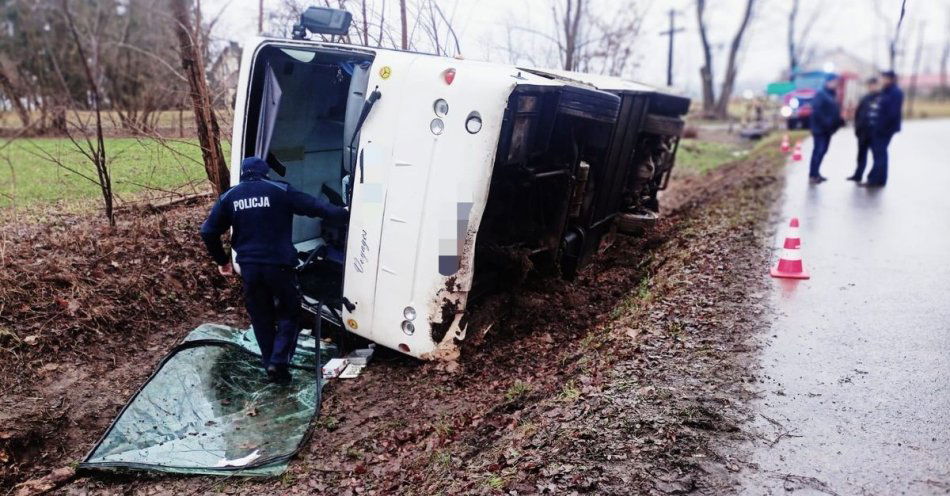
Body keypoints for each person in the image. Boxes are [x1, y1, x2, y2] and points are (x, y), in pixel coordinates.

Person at [201, 157, 347, 384]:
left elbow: (208, 232)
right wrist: (346, 213)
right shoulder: (279, 190)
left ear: (243, 173)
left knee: (261, 315)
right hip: (279, 266)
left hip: (249, 268)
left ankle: (271, 364)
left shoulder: (230, 196)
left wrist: (223, 261)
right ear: (265, 172)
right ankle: (279, 362)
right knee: (290, 312)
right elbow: (317, 207)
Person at [863, 70, 903, 187]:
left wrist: (881, 127)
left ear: (889, 79)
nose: (881, 80)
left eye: (883, 78)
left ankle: (874, 180)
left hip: (884, 129)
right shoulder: (887, 91)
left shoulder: (895, 92)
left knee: (879, 154)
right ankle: (880, 179)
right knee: (880, 154)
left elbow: (892, 113)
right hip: (882, 128)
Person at [807, 75, 845, 184]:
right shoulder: (821, 94)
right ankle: (813, 175)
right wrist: (826, 122)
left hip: (827, 130)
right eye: (834, 82)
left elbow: (834, 110)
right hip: (820, 129)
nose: (836, 84)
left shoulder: (831, 94)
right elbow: (817, 111)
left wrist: (838, 121)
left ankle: (816, 173)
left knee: (823, 151)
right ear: (828, 82)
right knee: (818, 151)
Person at [848, 78, 881, 182]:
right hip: (863, 132)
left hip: (874, 132)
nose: (872, 87)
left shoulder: (881, 98)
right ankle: (858, 175)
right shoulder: (865, 98)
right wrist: (857, 127)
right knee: (861, 155)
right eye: (870, 85)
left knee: (877, 156)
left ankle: (874, 177)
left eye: (874, 85)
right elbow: (858, 113)